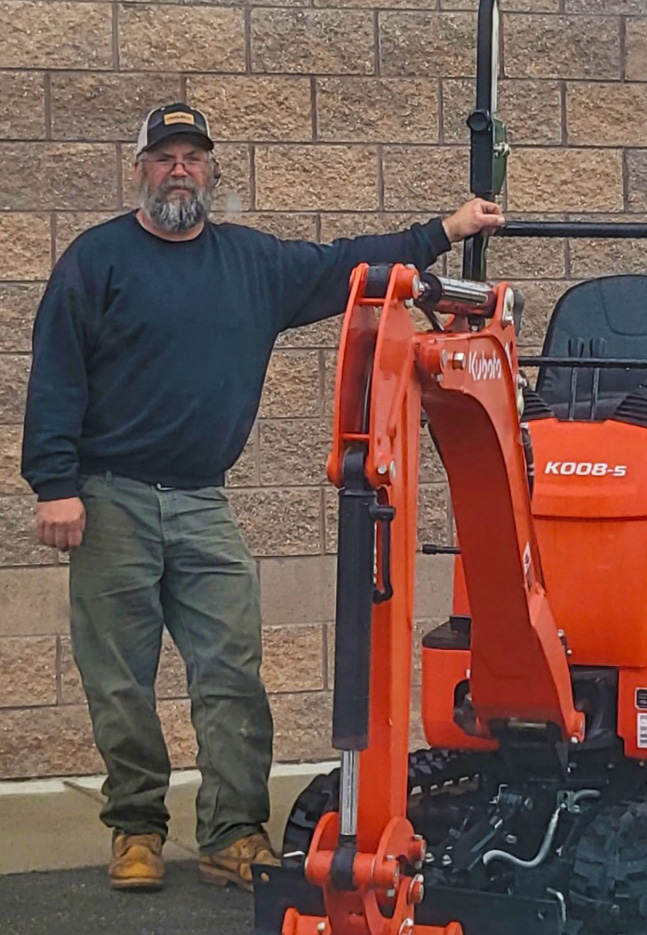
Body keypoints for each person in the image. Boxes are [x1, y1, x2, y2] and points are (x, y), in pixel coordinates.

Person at [21, 102, 505, 893]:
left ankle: (231, 833)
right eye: (165, 156)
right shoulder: (96, 258)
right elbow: (56, 374)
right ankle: (137, 829)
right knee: (118, 680)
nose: (180, 169)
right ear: (139, 168)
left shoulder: (252, 263)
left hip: (203, 502)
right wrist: (56, 485)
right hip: (109, 501)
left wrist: (441, 231)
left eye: (194, 157)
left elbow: (351, 262)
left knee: (231, 673)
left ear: (212, 171)